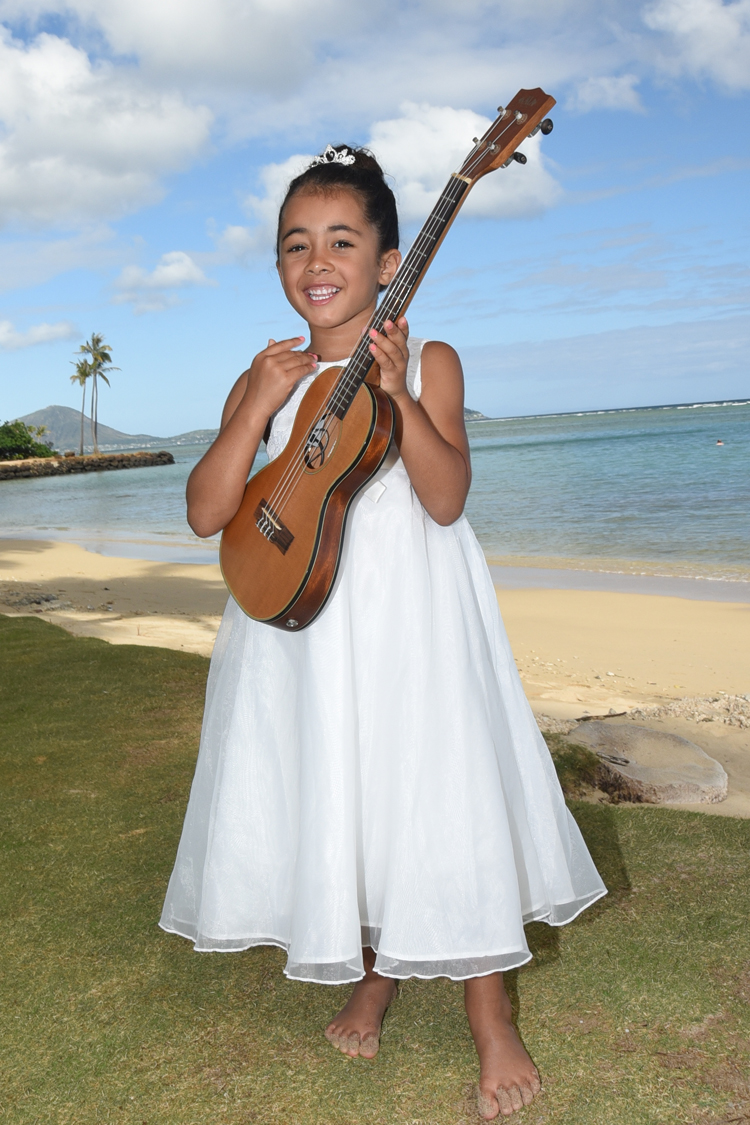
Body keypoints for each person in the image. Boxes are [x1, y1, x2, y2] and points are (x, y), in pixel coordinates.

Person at [160, 145, 606, 1120]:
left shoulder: (431, 360)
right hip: (300, 635)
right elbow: (206, 512)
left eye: (341, 241)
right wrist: (257, 410)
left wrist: (399, 396)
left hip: (411, 627)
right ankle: (376, 976)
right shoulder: (266, 373)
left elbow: (444, 501)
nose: (316, 261)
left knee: (437, 798)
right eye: (295, 244)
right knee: (343, 797)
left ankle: (491, 1019)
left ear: (388, 258)